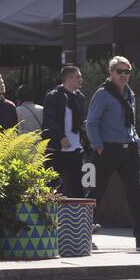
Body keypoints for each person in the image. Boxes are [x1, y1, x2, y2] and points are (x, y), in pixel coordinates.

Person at [85, 56, 140, 252]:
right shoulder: (102, 94)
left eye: (127, 72)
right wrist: (99, 146)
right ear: (111, 73)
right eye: (120, 71)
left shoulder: (129, 94)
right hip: (107, 149)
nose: (124, 75)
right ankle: (83, 238)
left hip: (129, 149)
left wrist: (136, 142)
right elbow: (91, 122)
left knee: (136, 194)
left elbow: (130, 124)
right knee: (94, 194)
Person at [43, 65, 89, 198]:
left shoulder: (79, 97)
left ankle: (79, 216)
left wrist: (84, 127)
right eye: (77, 76)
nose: (81, 79)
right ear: (68, 79)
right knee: (51, 184)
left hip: (75, 149)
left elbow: (78, 119)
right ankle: (48, 216)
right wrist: (60, 137)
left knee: (77, 186)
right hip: (57, 149)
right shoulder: (54, 96)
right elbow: (49, 121)